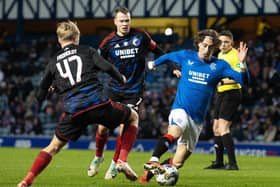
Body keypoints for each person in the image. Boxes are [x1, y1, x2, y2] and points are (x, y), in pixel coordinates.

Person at [17, 20, 139, 187]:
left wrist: (51, 88)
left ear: (60, 40)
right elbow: (107, 67)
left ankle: (27, 180)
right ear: (76, 38)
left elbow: (39, 96)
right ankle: (122, 160)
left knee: (52, 147)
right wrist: (121, 78)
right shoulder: (87, 51)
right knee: (133, 117)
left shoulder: (53, 62)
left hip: (74, 112)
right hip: (98, 104)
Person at [140, 29, 249, 183]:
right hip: (181, 108)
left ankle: (151, 173)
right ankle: (154, 159)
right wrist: (153, 63)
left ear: (215, 47)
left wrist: (242, 63)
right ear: (198, 44)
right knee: (175, 131)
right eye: (204, 45)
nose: (207, 49)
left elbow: (244, 80)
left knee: (178, 162)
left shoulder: (220, 66)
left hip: (197, 120)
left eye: (211, 47)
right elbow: (168, 56)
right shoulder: (186, 56)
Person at [87, 6, 180, 180]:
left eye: (127, 20)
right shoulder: (108, 42)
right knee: (103, 128)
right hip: (113, 89)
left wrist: (173, 66)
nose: (124, 24)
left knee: (125, 127)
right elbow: (95, 62)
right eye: (121, 21)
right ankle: (99, 156)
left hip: (134, 91)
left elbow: (158, 51)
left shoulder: (141, 36)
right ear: (115, 22)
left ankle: (116, 164)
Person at [204, 30, 243, 170]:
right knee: (215, 128)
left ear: (232, 43)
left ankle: (233, 163)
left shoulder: (235, 56)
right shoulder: (220, 55)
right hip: (221, 94)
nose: (223, 44)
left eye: (227, 42)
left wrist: (220, 83)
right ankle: (219, 162)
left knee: (223, 127)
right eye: (221, 42)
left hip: (232, 93)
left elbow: (239, 78)